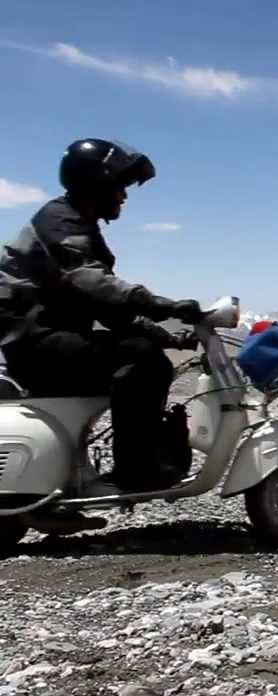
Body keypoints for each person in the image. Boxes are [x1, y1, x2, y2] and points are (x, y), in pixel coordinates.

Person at [0, 139, 204, 493]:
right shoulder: (60, 222)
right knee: (144, 362)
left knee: (145, 351)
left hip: (43, 337)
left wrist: (169, 337)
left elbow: (110, 311)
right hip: (32, 342)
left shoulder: (78, 226)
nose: (123, 197)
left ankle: (114, 467)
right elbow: (92, 282)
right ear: (95, 184)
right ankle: (135, 471)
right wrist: (162, 305)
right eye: (119, 187)